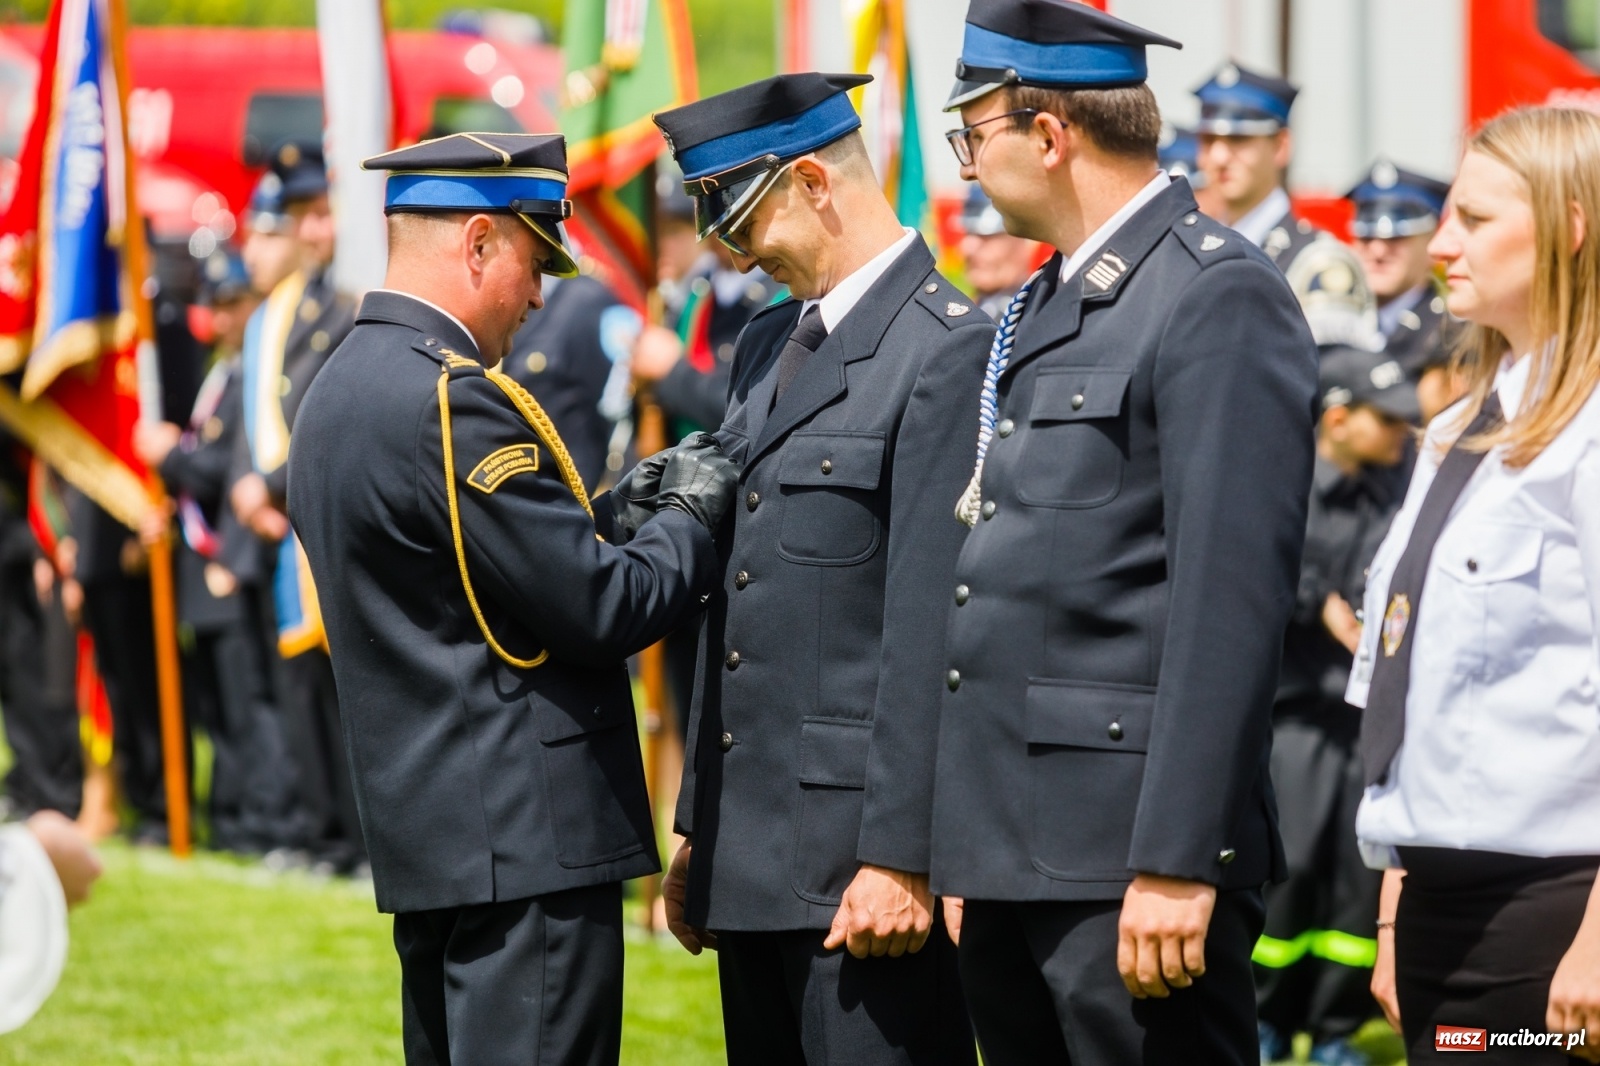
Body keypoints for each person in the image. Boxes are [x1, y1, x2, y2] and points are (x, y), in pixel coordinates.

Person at [286, 131, 740, 1066]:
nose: (539, 295)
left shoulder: (339, 386)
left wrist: (616, 509)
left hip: (438, 842)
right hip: (526, 845)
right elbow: (604, 609)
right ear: (480, 243)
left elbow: (460, 574)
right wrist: (693, 515)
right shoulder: (452, 399)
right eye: (534, 262)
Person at [930, 2, 1319, 1063]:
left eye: (973, 135)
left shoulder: (1211, 295)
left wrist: (1181, 858)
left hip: (1128, 859)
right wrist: (973, 848)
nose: (965, 167)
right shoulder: (1056, 297)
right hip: (1019, 851)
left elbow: (1225, 604)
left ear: (1046, 133)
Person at [649, 72, 995, 1065]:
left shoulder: (947, 347)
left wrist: (903, 854)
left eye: (739, 215)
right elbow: (742, 593)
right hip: (750, 850)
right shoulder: (767, 341)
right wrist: (697, 827)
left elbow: (936, 623)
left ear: (812, 180)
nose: (728, 249)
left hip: (861, 870)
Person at [1350, 106, 1600, 1065]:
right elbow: (1420, 685)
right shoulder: (1459, 431)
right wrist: (1394, 909)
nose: (1441, 244)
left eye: (1476, 219)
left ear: (1570, 227)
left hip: (1553, 916)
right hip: (1440, 907)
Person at [1257, 346, 1417, 1066]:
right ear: (1340, 417)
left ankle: (1334, 1030)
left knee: (1354, 889)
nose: (1401, 434)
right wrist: (1318, 599)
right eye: (1388, 421)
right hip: (1292, 720)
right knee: (1286, 881)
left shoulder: (1394, 493)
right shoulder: (1284, 487)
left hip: (1358, 728)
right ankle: (1264, 1016)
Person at [134, 249, 300, 855]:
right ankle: (233, 815)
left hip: (232, 559)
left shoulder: (247, 381)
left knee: (251, 701)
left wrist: (171, 456)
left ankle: (268, 820)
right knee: (219, 705)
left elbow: (222, 472)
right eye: (217, 305)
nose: (222, 316)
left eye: (233, 303)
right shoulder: (219, 373)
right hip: (200, 564)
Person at [231, 142, 361, 874]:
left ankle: (349, 835)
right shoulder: (267, 320)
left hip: (307, 517)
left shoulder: (339, 312)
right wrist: (247, 488)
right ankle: (317, 833)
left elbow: (321, 411)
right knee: (294, 688)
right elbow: (255, 420)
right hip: (270, 527)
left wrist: (270, 485)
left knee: (336, 686)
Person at [1345, 160, 1457, 380]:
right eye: (1366, 236)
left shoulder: (1450, 335)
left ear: (1432, 242)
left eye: (1396, 237)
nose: (1378, 251)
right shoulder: (1334, 323)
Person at [955, 185, 1041, 320]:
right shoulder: (974, 305)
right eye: (968, 234)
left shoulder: (1035, 313)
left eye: (986, 237)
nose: (967, 247)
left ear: (1023, 239)